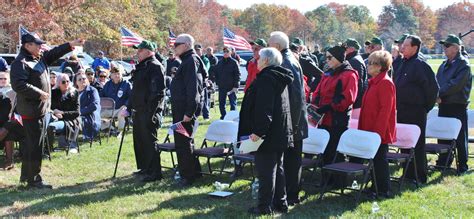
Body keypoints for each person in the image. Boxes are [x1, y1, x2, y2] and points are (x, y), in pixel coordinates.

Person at [10, 32, 83, 189]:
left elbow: (54, 52)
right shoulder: (20, 62)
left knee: (33, 145)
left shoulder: (39, 58)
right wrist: (39, 93)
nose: (40, 47)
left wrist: (70, 44)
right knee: (34, 147)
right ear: (27, 46)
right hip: (31, 112)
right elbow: (18, 85)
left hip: (40, 111)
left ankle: (26, 177)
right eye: (37, 44)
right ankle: (34, 181)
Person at [239, 48, 294, 215]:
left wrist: (258, 132)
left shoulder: (267, 79)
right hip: (279, 131)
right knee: (278, 168)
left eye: (260, 58)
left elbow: (264, 109)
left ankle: (264, 207)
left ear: (266, 61)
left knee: (266, 171)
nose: (257, 59)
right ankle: (280, 203)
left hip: (267, 134)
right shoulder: (277, 77)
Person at [269, 31, 308, 206]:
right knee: (291, 160)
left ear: (277, 46)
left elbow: (294, 97)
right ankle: (289, 193)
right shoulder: (288, 59)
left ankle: (292, 195)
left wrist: (289, 125)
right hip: (294, 121)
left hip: (293, 121)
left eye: (269, 45)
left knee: (291, 162)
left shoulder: (286, 62)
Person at [394, 35, 439, 184]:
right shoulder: (401, 63)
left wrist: (425, 107)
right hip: (401, 110)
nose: (402, 48)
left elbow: (432, 89)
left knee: (417, 145)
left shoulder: (420, 66)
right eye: (402, 45)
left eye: (406, 46)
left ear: (415, 48)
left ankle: (419, 175)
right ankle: (407, 173)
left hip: (416, 111)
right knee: (404, 143)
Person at [123, 40, 166, 182]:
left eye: (140, 50)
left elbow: (158, 93)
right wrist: (128, 108)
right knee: (140, 141)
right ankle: (144, 168)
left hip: (149, 111)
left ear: (149, 51)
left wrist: (151, 113)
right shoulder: (141, 67)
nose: (137, 53)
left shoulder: (155, 66)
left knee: (149, 141)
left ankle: (154, 172)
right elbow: (135, 91)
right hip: (138, 110)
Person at [311, 45, 358, 174]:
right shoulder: (328, 72)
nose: (327, 60)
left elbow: (347, 98)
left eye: (329, 57)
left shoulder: (349, 74)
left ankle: (337, 179)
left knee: (335, 149)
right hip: (323, 118)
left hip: (337, 119)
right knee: (325, 149)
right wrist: (315, 104)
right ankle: (325, 176)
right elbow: (318, 90)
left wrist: (329, 107)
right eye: (326, 57)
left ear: (338, 58)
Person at [358, 50, 396, 198]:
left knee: (380, 159)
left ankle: (383, 189)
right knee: (374, 159)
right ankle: (375, 186)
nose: (367, 66)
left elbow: (385, 110)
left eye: (371, 63)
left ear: (380, 66)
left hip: (378, 131)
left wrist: (377, 133)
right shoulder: (373, 81)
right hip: (370, 128)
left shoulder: (385, 83)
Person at [170, 34, 204, 187]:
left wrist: (189, 112)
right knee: (184, 141)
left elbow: (193, 88)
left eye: (176, 44)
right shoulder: (186, 60)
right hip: (181, 109)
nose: (174, 46)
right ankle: (194, 171)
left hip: (185, 111)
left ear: (186, 45)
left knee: (183, 143)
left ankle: (187, 176)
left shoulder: (191, 61)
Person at [436, 34, 472, 174]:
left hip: (457, 106)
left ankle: (462, 165)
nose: (444, 48)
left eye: (447, 45)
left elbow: (455, 85)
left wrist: (438, 94)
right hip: (444, 104)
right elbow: (436, 81)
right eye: (443, 45)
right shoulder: (444, 64)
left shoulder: (463, 64)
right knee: (443, 135)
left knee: (459, 137)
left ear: (456, 48)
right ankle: (443, 162)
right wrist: (436, 94)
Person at [47, 73, 80, 154]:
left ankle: (48, 149)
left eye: (67, 81)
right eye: (63, 82)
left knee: (51, 126)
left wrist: (63, 113)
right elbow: (48, 107)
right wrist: (54, 112)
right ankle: (41, 147)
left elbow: (77, 112)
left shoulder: (74, 93)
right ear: (58, 83)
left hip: (69, 120)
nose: (66, 84)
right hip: (54, 117)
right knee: (42, 123)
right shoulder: (54, 93)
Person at [100, 65, 132, 135]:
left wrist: (125, 105)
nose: (117, 75)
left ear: (121, 74)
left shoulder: (127, 84)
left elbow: (131, 97)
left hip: (122, 109)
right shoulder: (108, 85)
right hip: (109, 109)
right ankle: (111, 129)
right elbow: (101, 96)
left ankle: (119, 131)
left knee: (122, 113)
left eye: (118, 73)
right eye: (114, 74)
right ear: (111, 75)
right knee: (96, 115)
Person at [215, 45, 240, 119]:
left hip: (231, 87)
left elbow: (237, 74)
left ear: (230, 52)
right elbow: (216, 73)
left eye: (227, 51)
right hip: (222, 87)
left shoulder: (234, 62)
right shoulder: (220, 63)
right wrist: (217, 82)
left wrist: (236, 86)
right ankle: (223, 117)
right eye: (224, 51)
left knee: (233, 103)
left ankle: (233, 118)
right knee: (221, 103)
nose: (225, 53)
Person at [74, 72, 101, 141]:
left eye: (84, 78)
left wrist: (79, 112)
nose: (82, 80)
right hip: (77, 116)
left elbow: (94, 105)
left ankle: (72, 141)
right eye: (80, 79)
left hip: (90, 118)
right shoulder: (73, 92)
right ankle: (65, 142)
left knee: (74, 120)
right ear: (76, 82)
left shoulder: (92, 90)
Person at [344, 38, 367, 109]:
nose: (343, 50)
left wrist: (351, 102)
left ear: (351, 49)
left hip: (355, 103)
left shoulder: (354, 61)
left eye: (345, 48)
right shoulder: (355, 59)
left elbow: (358, 84)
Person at [195, 44, 211, 120]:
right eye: (196, 50)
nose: (197, 51)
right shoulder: (193, 59)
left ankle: (206, 115)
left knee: (204, 99)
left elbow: (206, 70)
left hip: (203, 82)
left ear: (201, 50)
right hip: (195, 82)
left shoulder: (205, 59)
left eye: (198, 50)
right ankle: (196, 115)